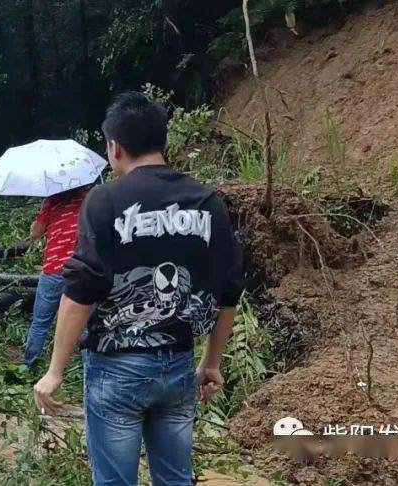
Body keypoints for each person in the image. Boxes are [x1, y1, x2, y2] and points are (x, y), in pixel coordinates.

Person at [32, 92, 242, 485]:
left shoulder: (106, 199)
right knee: (176, 479)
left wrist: (55, 369)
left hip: (117, 368)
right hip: (179, 365)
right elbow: (229, 288)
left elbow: (82, 289)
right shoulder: (207, 201)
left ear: (115, 147)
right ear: (162, 140)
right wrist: (211, 362)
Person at [22, 184, 92, 368]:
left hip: (54, 268)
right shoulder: (90, 199)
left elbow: (35, 233)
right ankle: (88, 370)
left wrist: (41, 217)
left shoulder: (52, 200)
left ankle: (27, 368)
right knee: (83, 324)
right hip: (82, 268)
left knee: (40, 323)